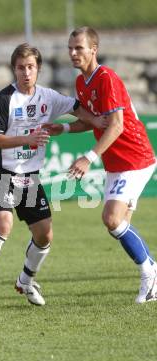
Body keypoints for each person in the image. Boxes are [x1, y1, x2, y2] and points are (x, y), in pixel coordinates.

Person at [0, 43, 104, 314]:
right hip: (0, 172)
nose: (26, 73)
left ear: (38, 69)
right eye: (20, 67)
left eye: (31, 67)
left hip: (29, 176)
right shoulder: (4, 99)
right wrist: (27, 138)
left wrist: (83, 124)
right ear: (13, 69)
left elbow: (84, 117)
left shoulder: (49, 98)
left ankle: (26, 281)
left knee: (44, 234)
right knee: (3, 224)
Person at [48, 26, 156, 303]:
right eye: (70, 48)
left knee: (111, 218)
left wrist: (89, 157)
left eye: (79, 48)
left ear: (93, 50)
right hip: (116, 162)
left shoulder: (106, 77)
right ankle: (151, 272)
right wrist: (63, 130)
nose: (73, 53)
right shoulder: (81, 83)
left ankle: (150, 274)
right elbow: (93, 121)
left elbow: (117, 125)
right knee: (119, 226)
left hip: (135, 157)